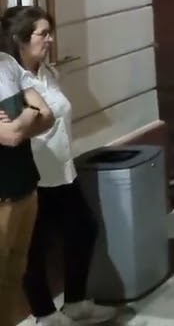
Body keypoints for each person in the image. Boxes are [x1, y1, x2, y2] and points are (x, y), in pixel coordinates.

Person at [6, 6, 117, 325]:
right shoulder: (11, 79)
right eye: (43, 34)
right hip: (33, 176)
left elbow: (47, 117)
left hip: (61, 170)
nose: (50, 39)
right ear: (20, 39)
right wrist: (31, 118)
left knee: (83, 229)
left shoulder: (47, 72)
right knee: (34, 248)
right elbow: (16, 129)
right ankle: (44, 313)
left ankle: (76, 303)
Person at [0, 42, 54, 325]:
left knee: (13, 275)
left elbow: (48, 115)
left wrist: (22, 119)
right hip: (2, 197)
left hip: (25, 185)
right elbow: (8, 137)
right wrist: (29, 113)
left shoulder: (7, 63)